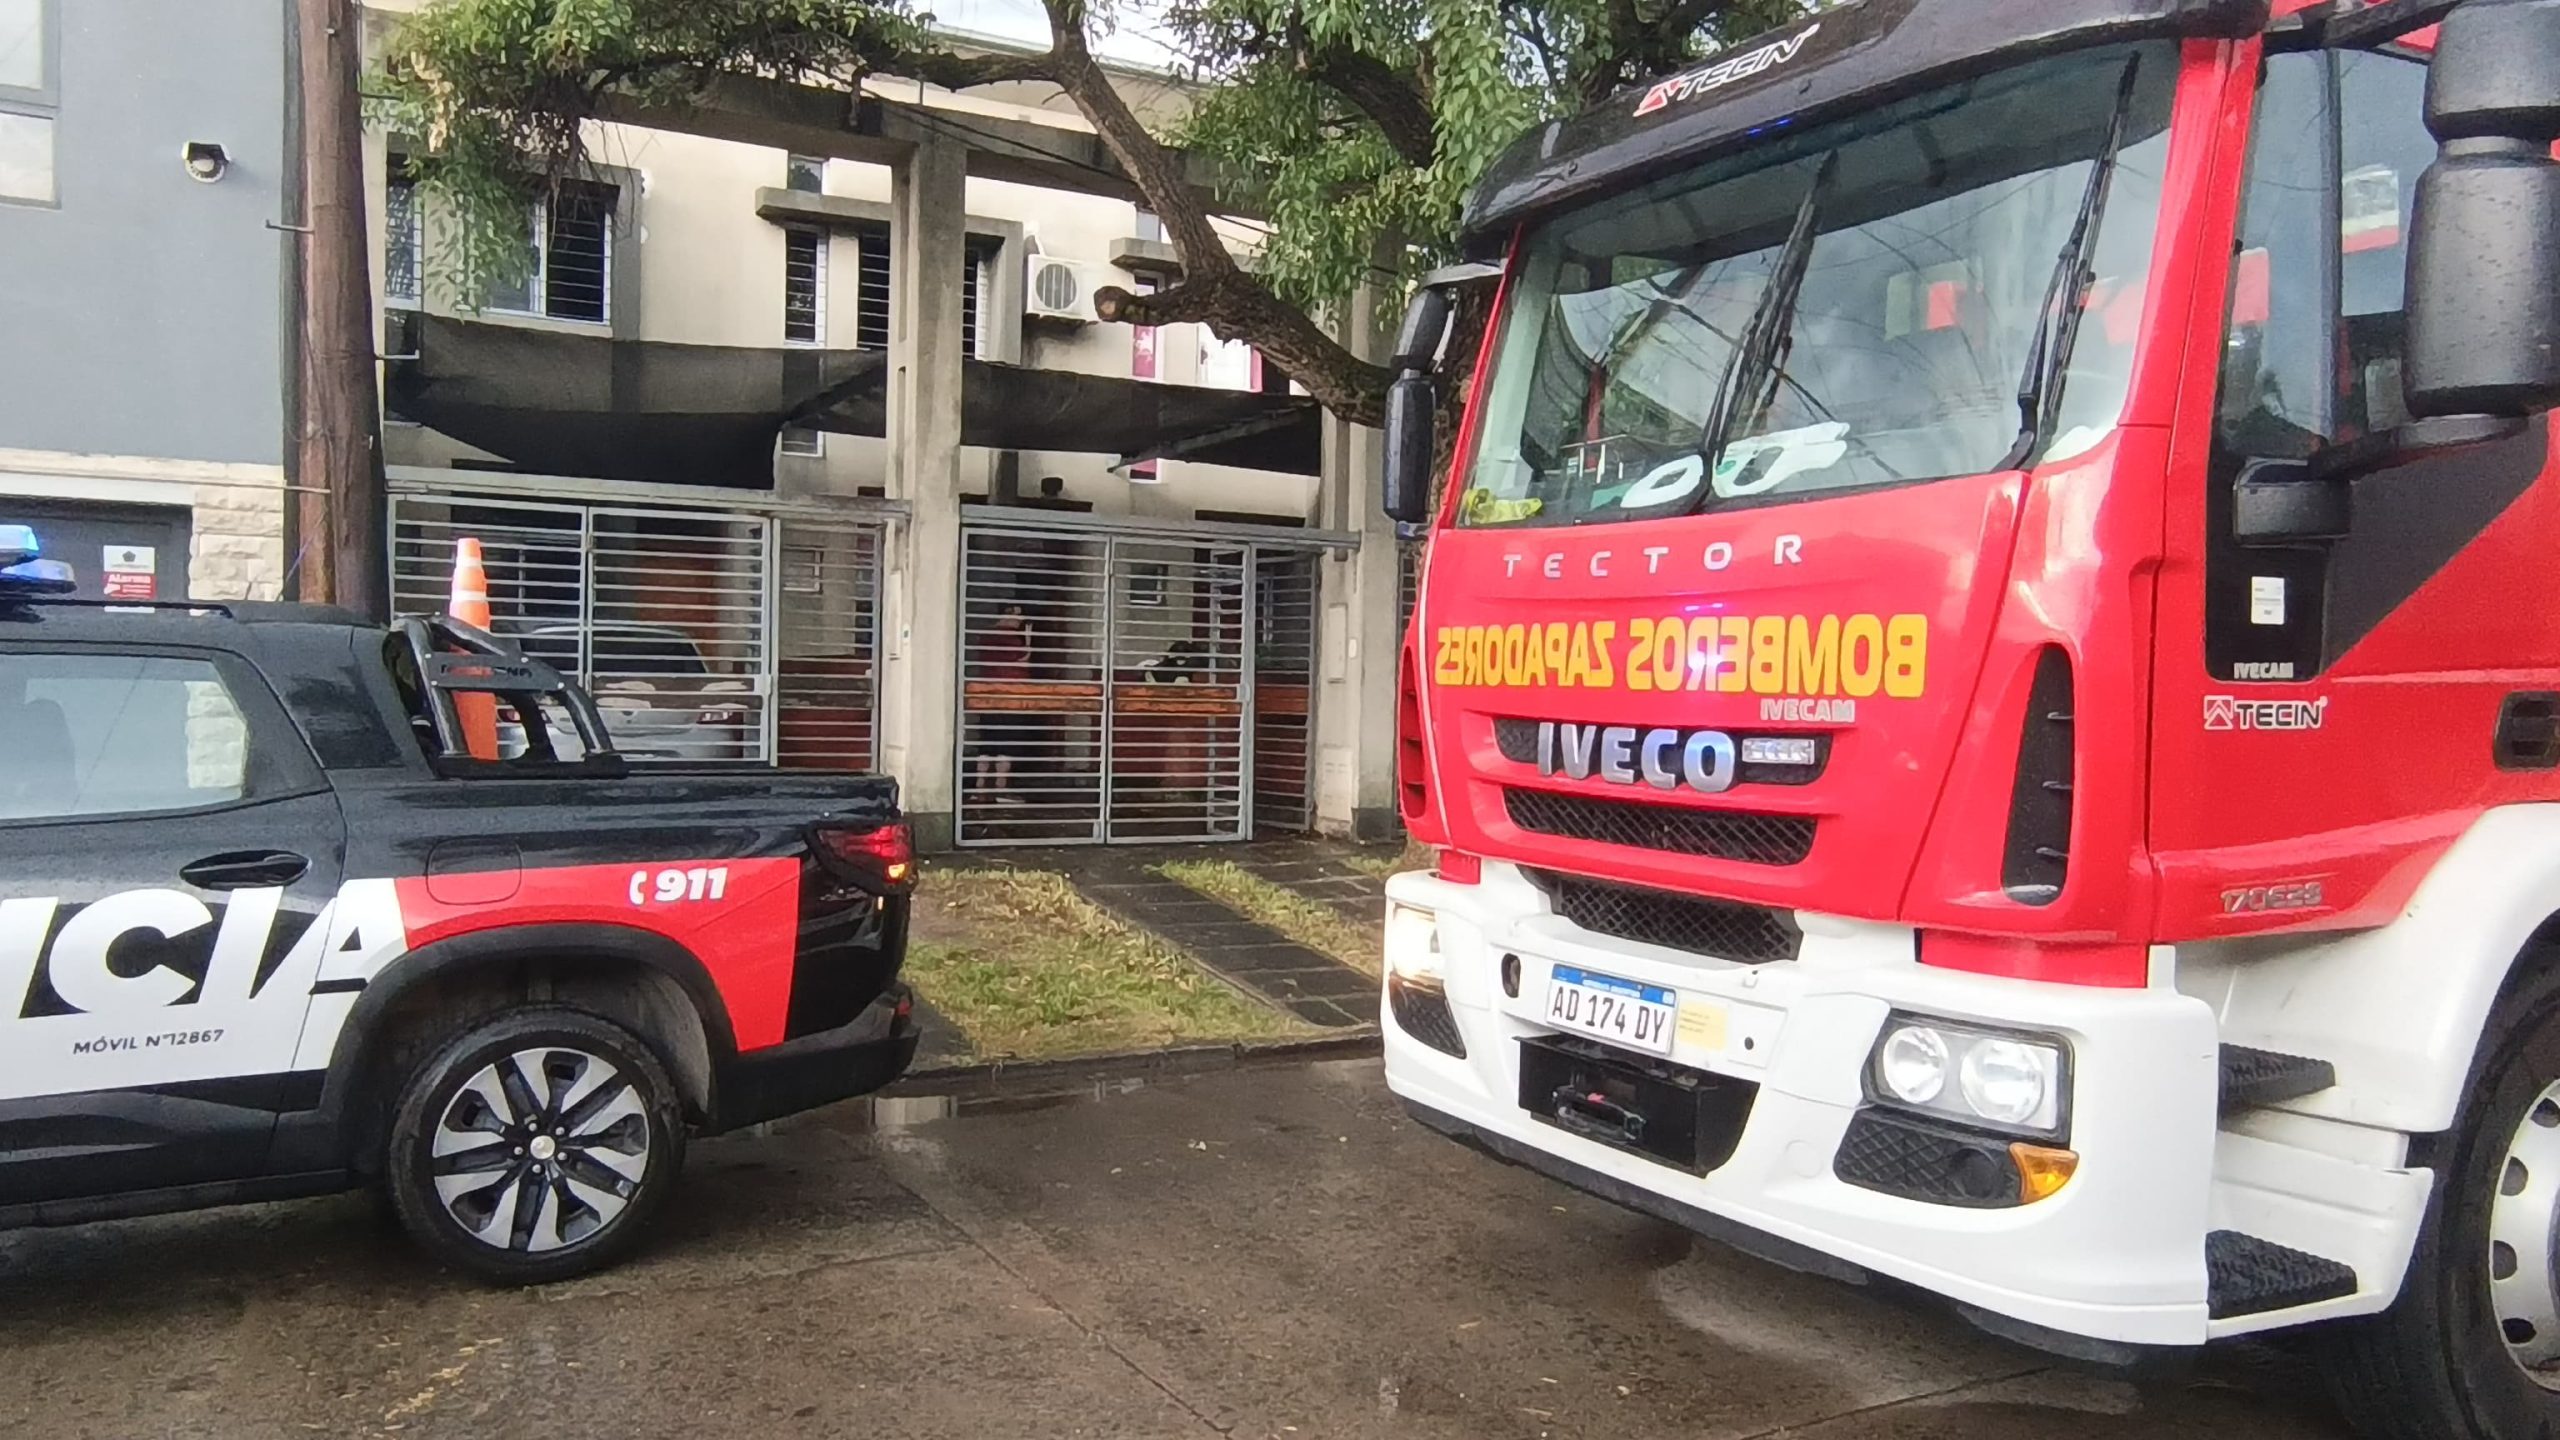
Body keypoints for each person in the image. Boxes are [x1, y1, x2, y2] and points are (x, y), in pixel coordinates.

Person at [971, 604, 1033, 805]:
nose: (1020, 622)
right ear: (1007, 616)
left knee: (987, 741)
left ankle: (979, 787)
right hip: (1009, 697)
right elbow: (1023, 660)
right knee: (1006, 741)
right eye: (1018, 617)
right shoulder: (1011, 638)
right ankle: (1001, 788)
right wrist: (1029, 639)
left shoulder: (985, 637)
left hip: (987, 696)